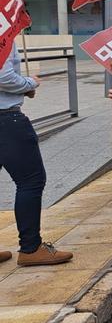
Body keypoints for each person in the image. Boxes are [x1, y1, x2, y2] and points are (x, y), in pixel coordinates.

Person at [0, 43, 74, 266]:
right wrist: (29, 84)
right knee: (31, 181)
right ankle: (31, 247)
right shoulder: (3, 31)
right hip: (6, 120)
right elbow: (3, 76)